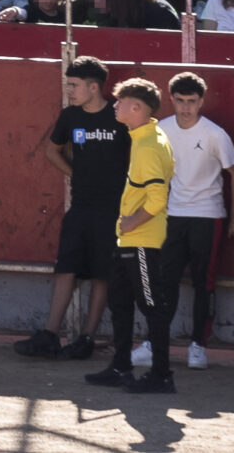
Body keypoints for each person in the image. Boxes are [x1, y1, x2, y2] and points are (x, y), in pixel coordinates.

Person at [16, 57, 126, 362]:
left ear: (94, 87)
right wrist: (74, 173)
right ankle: (50, 335)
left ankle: (86, 338)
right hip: (80, 206)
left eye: (75, 85)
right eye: (69, 84)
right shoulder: (70, 116)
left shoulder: (119, 115)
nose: (69, 90)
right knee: (66, 268)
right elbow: (52, 150)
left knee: (103, 274)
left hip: (113, 210)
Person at [86, 77, 177, 393]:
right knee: (121, 303)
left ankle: (162, 375)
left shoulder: (149, 144)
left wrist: (131, 223)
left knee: (151, 306)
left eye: (120, 101)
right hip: (133, 239)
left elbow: (157, 199)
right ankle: (122, 366)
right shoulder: (146, 137)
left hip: (142, 239)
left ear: (136, 107)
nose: (115, 106)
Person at [154, 71, 234, 373]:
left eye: (192, 101)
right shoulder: (161, 130)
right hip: (173, 216)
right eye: (180, 101)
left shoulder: (214, 134)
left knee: (204, 283)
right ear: (172, 99)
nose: (186, 107)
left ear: (201, 101)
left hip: (207, 216)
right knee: (166, 281)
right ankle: (155, 343)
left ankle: (198, 346)